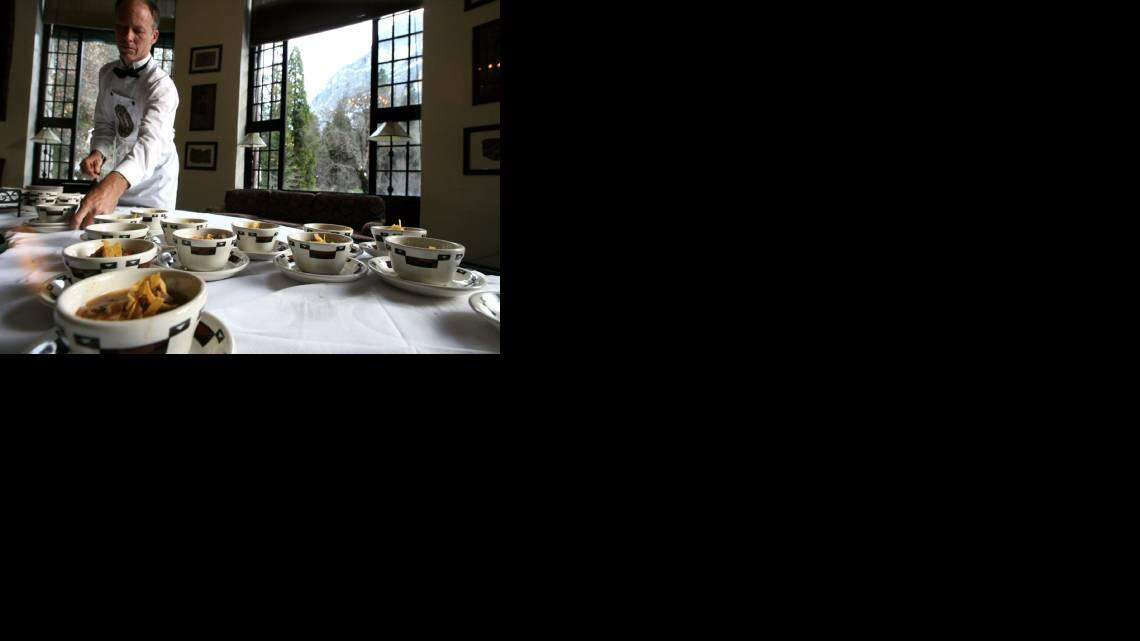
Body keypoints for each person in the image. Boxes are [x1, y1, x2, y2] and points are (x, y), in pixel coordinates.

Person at [71, 0, 179, 229]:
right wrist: (98, 152)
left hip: (154, 185)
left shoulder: (162, 86)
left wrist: (113, 184)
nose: (127, 37)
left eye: (138, 30)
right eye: (122, 28)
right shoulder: (106, 73)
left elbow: (150, 144)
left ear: (154, 36)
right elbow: (105, 124)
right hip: (119, 175)